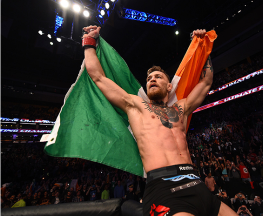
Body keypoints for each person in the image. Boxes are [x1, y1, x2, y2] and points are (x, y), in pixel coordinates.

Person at [82, 25, 236, 216]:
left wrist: (203, 46)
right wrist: (89, 42)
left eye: (158, 77)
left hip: (196, 183)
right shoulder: (136, 106)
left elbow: (205, 82)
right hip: (164, 188)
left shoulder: (181, 108)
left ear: (169, 86)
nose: (152, 80)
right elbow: (98, 77)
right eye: (149, 78)